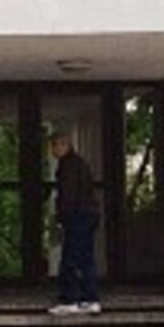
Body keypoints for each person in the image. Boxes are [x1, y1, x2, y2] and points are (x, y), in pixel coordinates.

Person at [47, 132, 101, 316]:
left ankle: (70, 299)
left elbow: (68, 195)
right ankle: (90, 299)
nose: (53, 150)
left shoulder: (67, 166)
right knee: (86, 258)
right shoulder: (80, 164)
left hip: (77, 216)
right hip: (88, 215)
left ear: (63, 145)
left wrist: (61, 218)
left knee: (70, 259)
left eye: (55, 146)